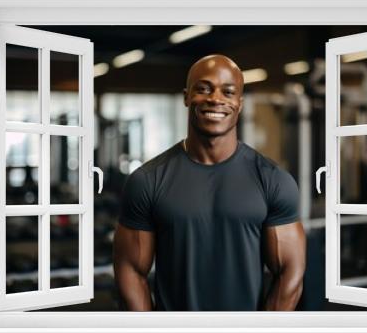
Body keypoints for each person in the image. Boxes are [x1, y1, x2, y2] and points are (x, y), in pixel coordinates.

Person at [113, 54, 306, 311]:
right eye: (203, 89)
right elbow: (130, 271)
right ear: (185, 96)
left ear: (240, 102)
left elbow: (289, 274)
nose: (215, 99)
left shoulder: (272, 180)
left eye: (228, 92)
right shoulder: (147, 180)